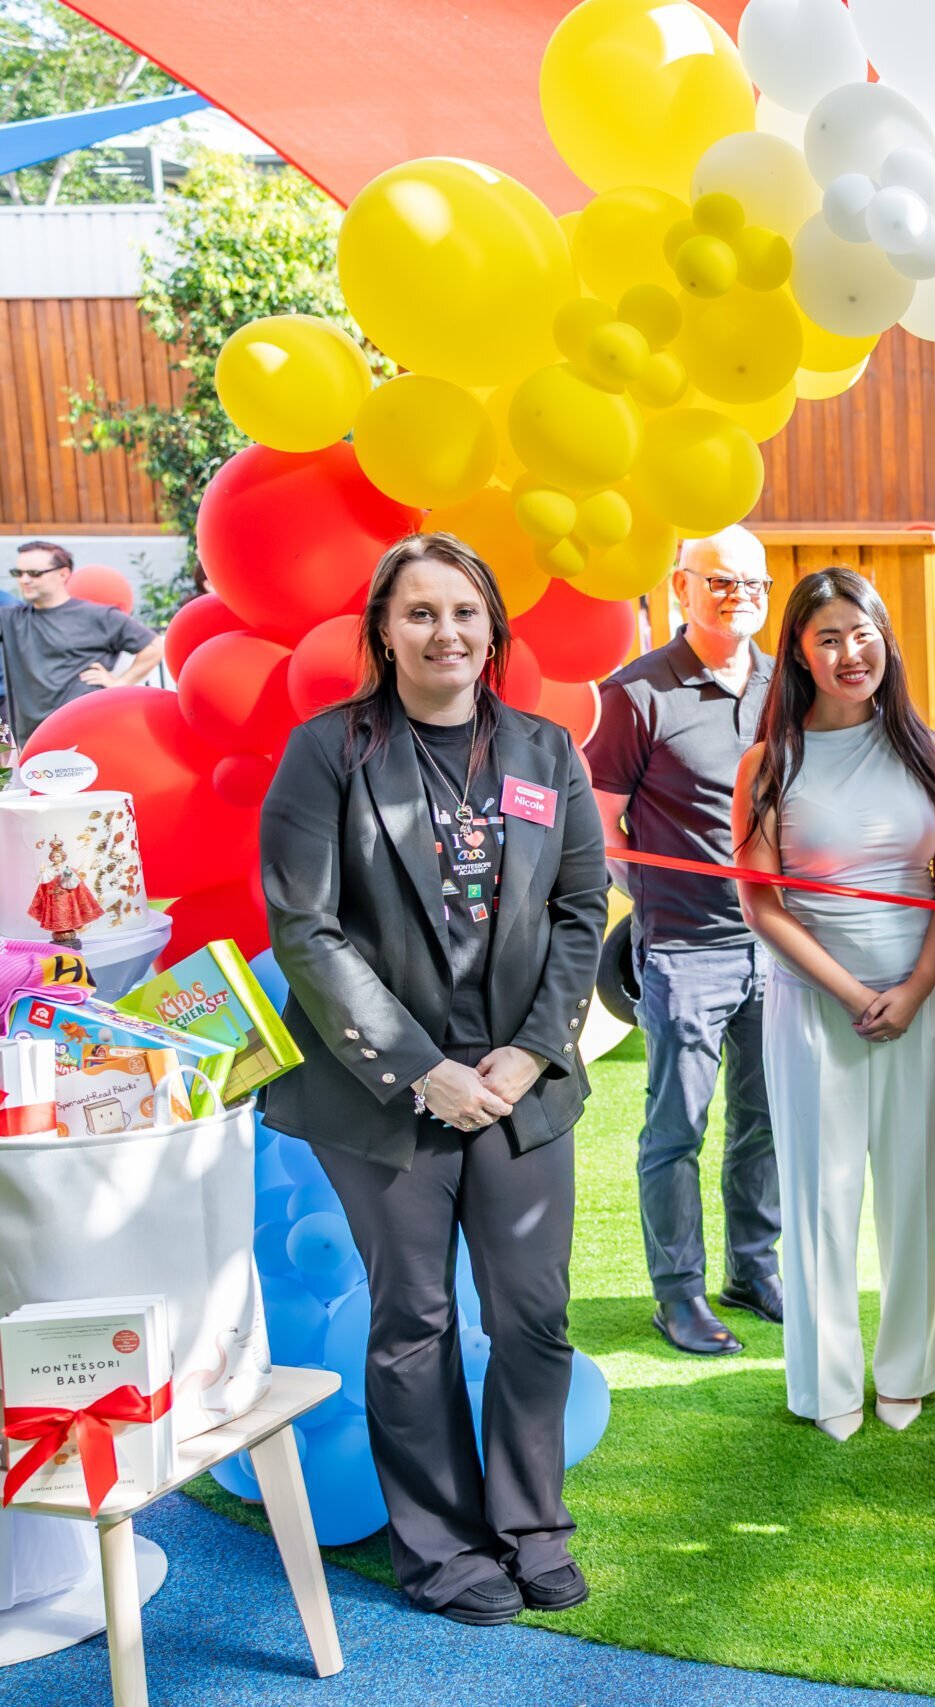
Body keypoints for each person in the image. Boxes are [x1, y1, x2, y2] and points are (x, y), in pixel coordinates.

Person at [260, 532, 607, 1625]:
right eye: (419, 613)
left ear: (492, 628)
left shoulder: (546, 753)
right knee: (412, 1318)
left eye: (464, 612)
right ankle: (443, 1550)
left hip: (520, 1087)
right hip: (380, 1096)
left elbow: (580, 911)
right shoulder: (328, 754)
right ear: (383, 631)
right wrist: (423, 1070)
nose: (445, 632)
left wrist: (534, 1047)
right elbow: (307, 932)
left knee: (533, 1315)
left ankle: (529, 1525)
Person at [732, 570, 935, 1439]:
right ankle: (827, 1383)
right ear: (798, 650)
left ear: (884, 638)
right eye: (826, 637)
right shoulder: (768, 762)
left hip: (924, 997)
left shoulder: (924, 749)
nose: (848, 652)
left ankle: (911, 1366)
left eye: (860, 632)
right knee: (821, 1196)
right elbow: (762, 902)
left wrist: (915, 987)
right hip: (812, 1002)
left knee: (917, 1188)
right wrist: (854, 991)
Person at [585, 526, 779, 1357]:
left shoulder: (789, 685)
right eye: (720, 582)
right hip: (683, 951)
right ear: (681, 586)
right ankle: (679, 1295)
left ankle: (753, 1267)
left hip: (780, 945)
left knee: (765, 1119)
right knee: (678, 1128)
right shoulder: (636, 694)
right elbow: (599, 830)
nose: (738, 596)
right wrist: (661, 895)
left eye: (753, 584)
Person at [2, 542, 161, 738]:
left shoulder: (98, 616)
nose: (25, 580)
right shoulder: (10, 619)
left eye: (34, 573)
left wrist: (121, 683)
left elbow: (155, 647)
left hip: (89, 731)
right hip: (35, 739)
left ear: (63, 574)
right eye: (19, 573)